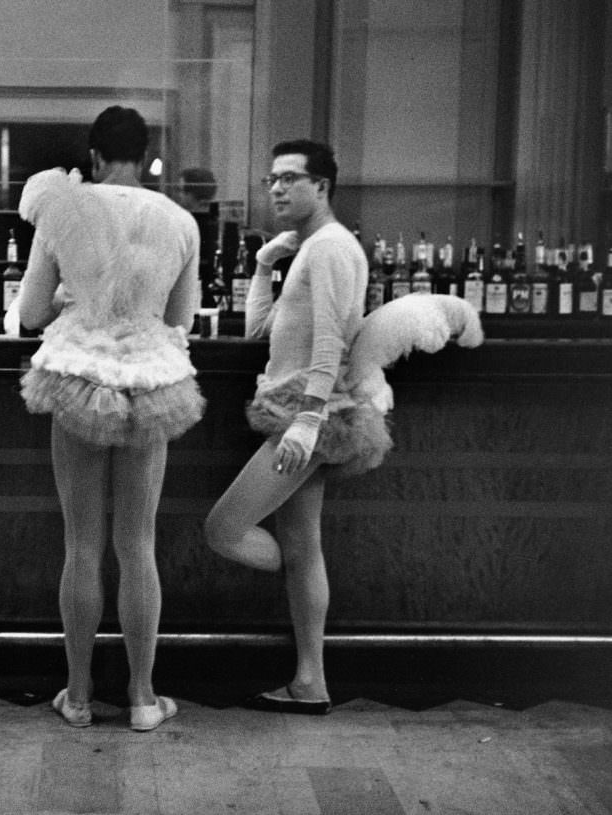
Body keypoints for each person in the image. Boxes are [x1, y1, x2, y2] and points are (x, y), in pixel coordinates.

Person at [17, 106, 204, 732]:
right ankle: (144, 699)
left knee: (81, 545)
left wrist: (71, 297)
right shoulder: (179, 220)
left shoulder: (65, 210)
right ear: (145, 158)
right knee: (137, 544)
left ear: (93, 157)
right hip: (150, 377)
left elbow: (31, 313)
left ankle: (77, 696)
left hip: (79, 371)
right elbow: (180, 319)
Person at [202, 139, 376, 715]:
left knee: (223, 530)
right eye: (271, 179)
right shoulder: (313, 248)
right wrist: (262, 265)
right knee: (303, 547)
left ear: (320, 186)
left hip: (308, 416)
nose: (275, 188)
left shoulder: (329, 248)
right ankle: (309, 682)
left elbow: (330, 341)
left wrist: (305, 420)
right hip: (306, 411)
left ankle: (310, 678)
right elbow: (259, 330)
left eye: (289, 178)